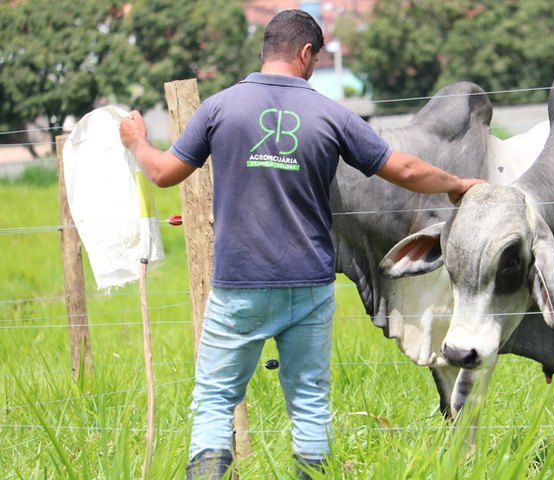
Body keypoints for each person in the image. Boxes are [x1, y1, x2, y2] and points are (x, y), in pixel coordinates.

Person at [119, 9, 483, 480]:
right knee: (309, 400)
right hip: (309, 285)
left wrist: (137, 141)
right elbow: (407, 171)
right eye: (317, 58)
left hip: (239, 285)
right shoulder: (331, 114)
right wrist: (456, 184)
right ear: (305, 53)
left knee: (214, 396)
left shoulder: (219, 107)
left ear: (267, 48)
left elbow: (163, 173)